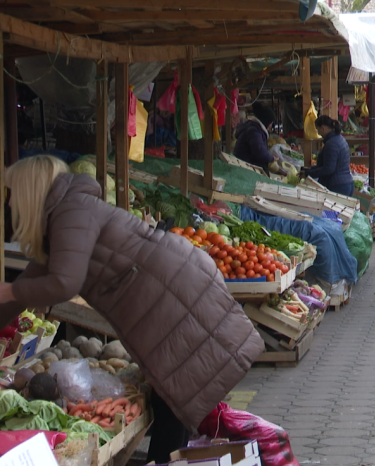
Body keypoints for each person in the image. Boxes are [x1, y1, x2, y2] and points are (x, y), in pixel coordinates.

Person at [0, 155, 264, 462]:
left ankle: (165, 460)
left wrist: (10, 288)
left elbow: (64, 282)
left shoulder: (71, 212)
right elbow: (30, 285)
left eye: (12, 194)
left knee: (174, 402)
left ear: (29, 191)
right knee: (173, 401)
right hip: (170, 296)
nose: (9, 203)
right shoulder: (66, 216)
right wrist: (12, 296)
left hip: (173, 300)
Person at [305, 115, 354, 197]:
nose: (318, 133)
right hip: (346, 183)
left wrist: (309, 173)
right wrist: (309, 170)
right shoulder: (340, 139)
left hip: (338, 186)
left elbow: (328, 169)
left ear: (323, 128)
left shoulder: (332, 144)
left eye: (318, 130)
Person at [234, 102, 276, 173]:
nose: (270, 127)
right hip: (246, 168)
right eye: (271, 123)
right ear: (266, 121)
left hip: (246, 165)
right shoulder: (253, 131)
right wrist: (271, 158)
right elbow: (260, 152)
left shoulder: (254, 128)